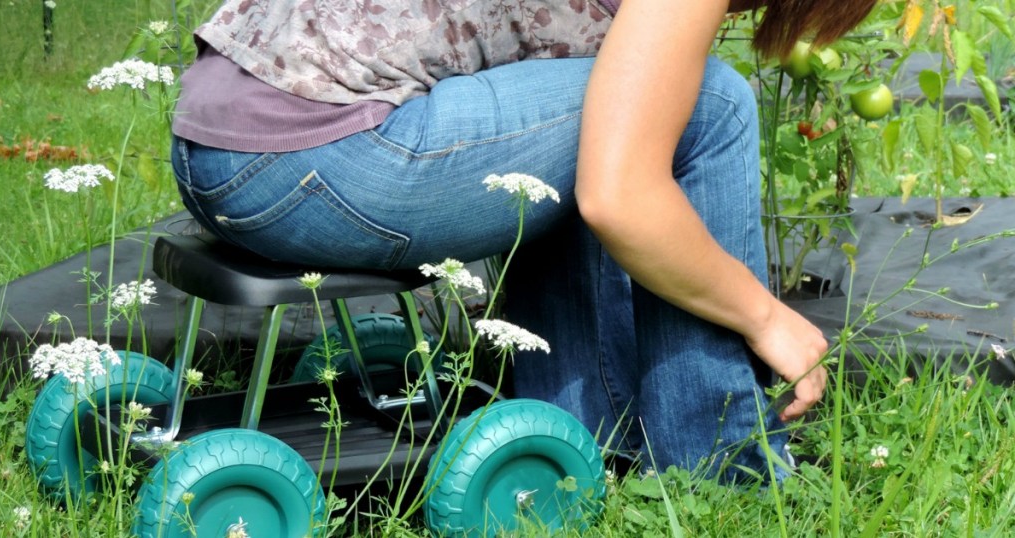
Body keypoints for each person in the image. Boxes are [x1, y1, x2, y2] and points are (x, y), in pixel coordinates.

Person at [170, 0, 877, 480]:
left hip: (214, 149)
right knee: (707, 102)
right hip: (322, 158)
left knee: (612, 110)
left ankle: (581, 430)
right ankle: (722, 464)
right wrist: (764, 314)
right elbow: (618, 200)